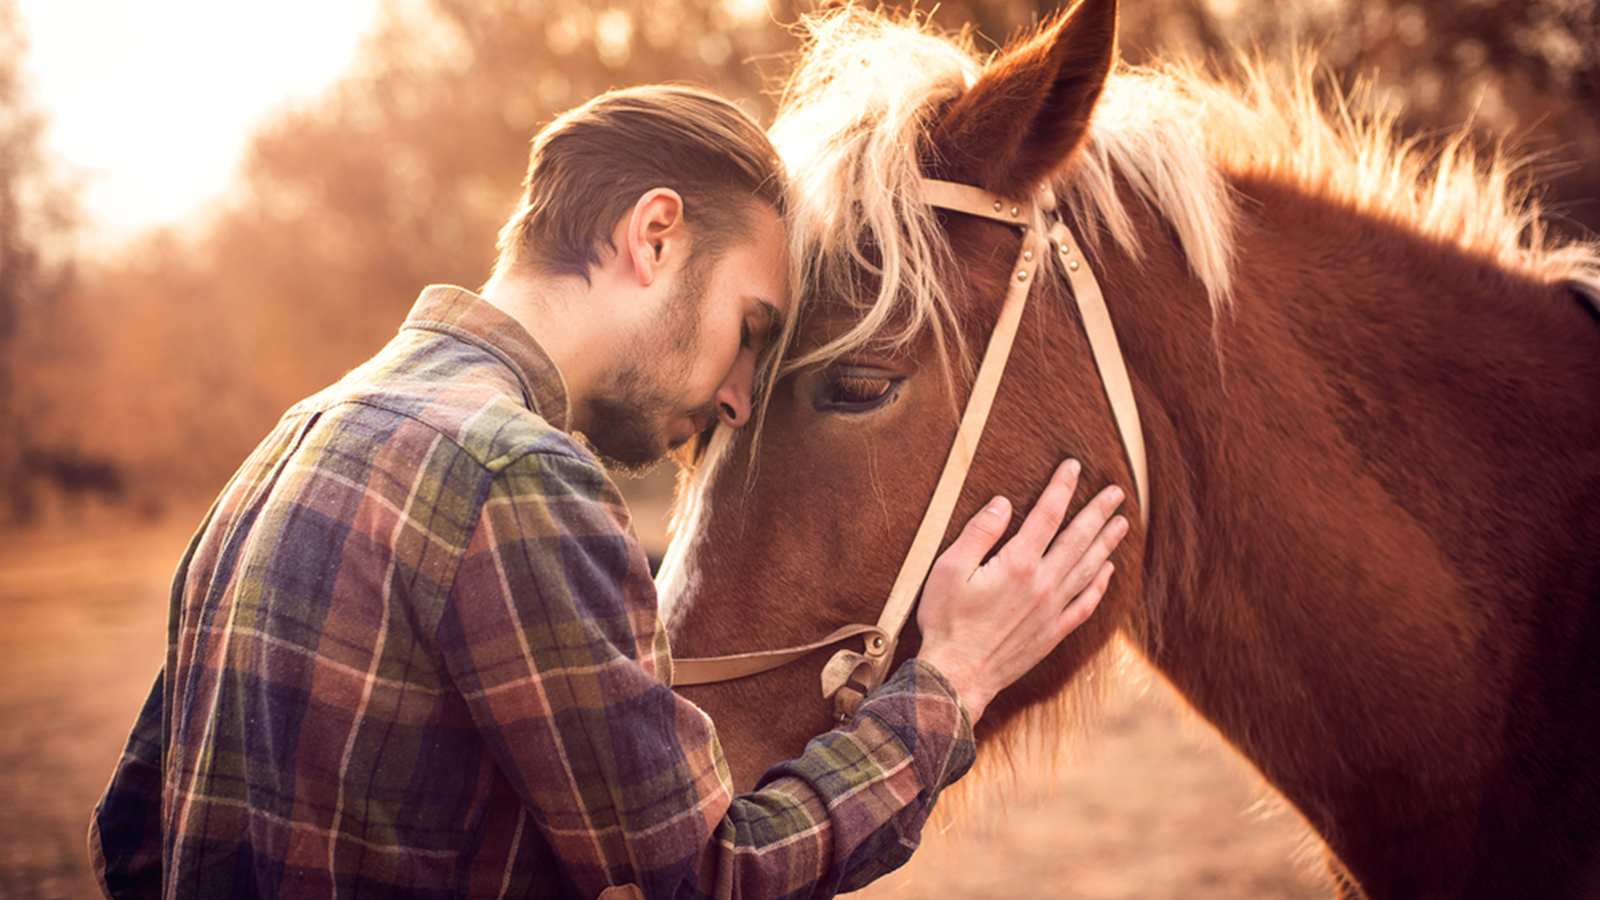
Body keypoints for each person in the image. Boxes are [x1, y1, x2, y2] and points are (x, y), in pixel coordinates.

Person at [88, 85, 1129, 899]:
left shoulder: (287, 445)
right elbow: (707, 879)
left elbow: (133, 837)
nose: (736, 398)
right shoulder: (516, 477)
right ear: (654, 236)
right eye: (752, 328)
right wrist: (950, 679)